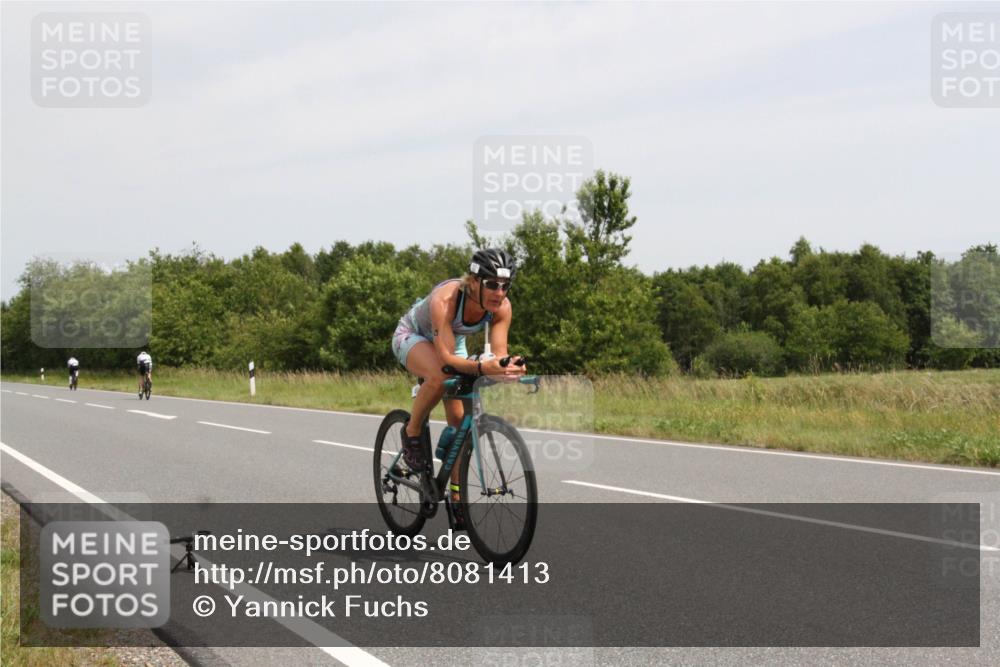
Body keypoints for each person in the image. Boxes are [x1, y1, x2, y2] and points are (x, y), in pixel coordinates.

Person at [390, 248, 526, 525]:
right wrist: (479, 368)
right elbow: (446, 359)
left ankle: (456, 497)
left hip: (452, 340)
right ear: (473, 282)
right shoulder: (447, 299)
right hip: (413, 335)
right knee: (440, 375)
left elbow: (499, 353)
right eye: (491, 284)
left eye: (505, 285)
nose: (499, 292)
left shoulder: (503, 307)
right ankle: (412, 431)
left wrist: (507, 367)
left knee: (459, 422)